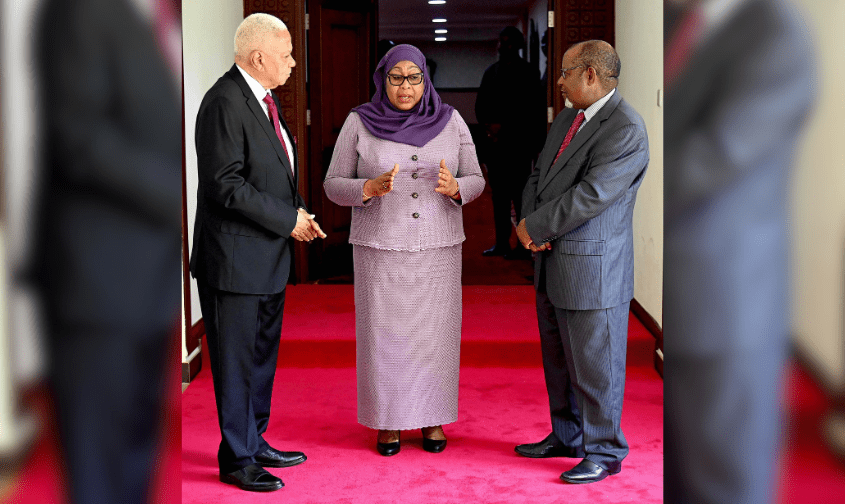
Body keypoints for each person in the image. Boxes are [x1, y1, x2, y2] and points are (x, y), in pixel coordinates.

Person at [663, 1, 815, 502]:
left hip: (724, 301)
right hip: (677, 297)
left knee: (721, 479)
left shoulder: (774, 33)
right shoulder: (676, 23)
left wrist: (628, 185)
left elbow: (713, 157)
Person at [32, 0, 181, 502]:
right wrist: (174, 195)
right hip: (98, 280)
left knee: (136, 457)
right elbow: (79, 138)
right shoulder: (81, 11)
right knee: (99, 468)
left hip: (149, 280)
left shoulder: (146, 22)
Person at [324, 44, 485, 456]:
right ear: (383, 80)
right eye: (396, 78)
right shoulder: (359, 122)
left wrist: (457, 188)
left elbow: (476, 178)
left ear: (425, 80)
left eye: (414, 78)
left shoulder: (451, 121)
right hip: (380, 249)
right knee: (385, 339)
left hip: (438, 248)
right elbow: (332, 184)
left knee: (435, 337)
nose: (405, 87)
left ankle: (433, 419)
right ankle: (388, 423)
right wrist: (367, 187)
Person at [189, 13, 326, 492]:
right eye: (286, 54)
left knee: (260, 361)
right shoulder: (224, 102)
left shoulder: (264, 98)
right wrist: (287, 220)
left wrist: (298, 211)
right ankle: (237, 459)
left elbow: (273, 172)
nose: (293, 63)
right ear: (258, 57)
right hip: (232, 263)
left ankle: (254, 440)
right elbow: (225, 185)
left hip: (265, 258)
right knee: (235, 365)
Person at [514, 40, 649, 484]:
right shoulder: (568, 118)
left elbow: (591, 196)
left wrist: (535, 228)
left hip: (593, 270)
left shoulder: (625, 128)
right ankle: (567, 435)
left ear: (590, 74)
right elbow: (539, 175)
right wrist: (530, 225)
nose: (559, 80)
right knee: (559, 362)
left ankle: (605, 451)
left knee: (596, 368)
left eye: (565, 72)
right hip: (551, 258)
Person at [475, 26, 545, 259]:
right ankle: (501, 243)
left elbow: (530, 109)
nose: (503, 47)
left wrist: (504, 127)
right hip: (496, 146)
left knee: (520, 196)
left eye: (508, 42)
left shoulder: (529, 72)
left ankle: (523, 247)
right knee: (499, 197)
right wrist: (489, 126)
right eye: (501, 42)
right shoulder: (491, 72)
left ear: (518, 46)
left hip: (518, 145)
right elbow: (481, 104)